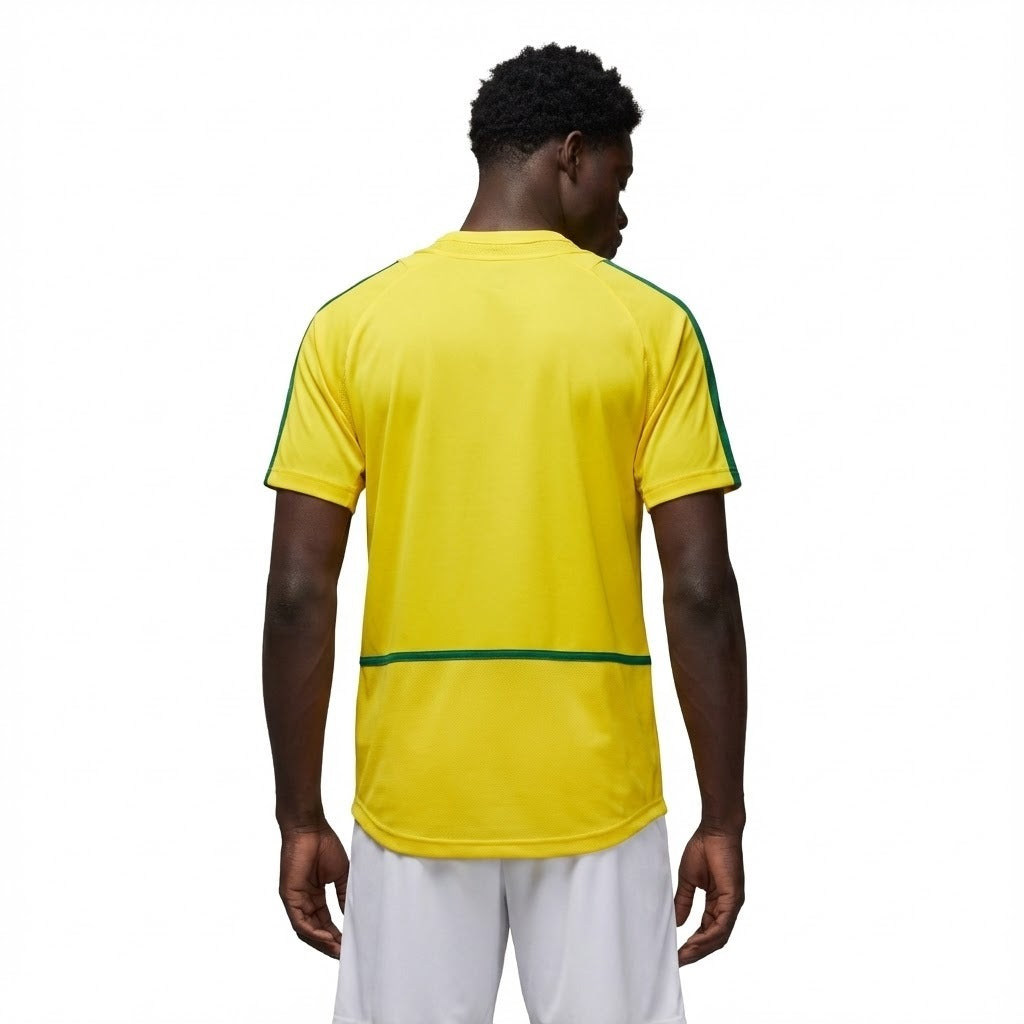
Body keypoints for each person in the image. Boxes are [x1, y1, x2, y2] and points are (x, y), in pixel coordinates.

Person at [262, 41, 747, 1024]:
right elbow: (699, 589)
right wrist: (724, 814)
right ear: (571, 154)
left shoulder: (353, 326)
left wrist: (299, 814)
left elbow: (299, 592)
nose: (623, 214)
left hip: (415, 790)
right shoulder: (649, 327)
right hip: (597, 791)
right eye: (618, 181)